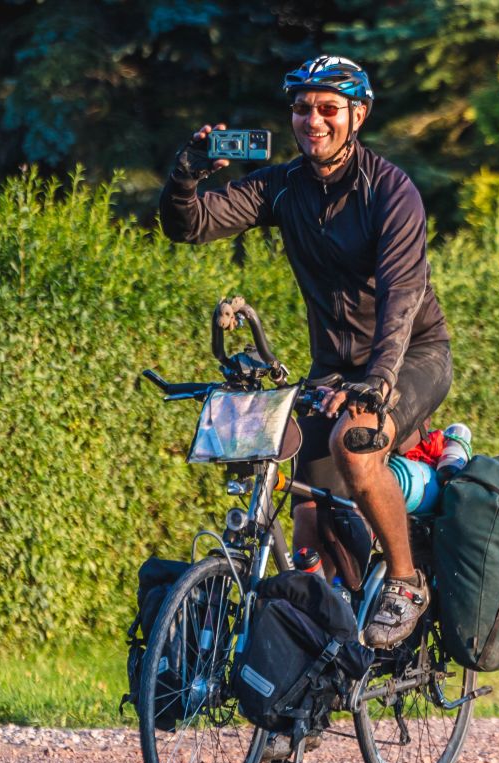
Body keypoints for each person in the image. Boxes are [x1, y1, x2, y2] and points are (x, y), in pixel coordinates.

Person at [158, 55, 451, 649]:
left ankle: (404, 580)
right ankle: (314, 676)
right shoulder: (284, 186)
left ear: (358, 115)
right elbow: (189, 225)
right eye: (301, 108)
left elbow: (401, 298)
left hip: (411, 355)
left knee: (357, 443)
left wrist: (379, 381)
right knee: (306, 510)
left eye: (327, 109)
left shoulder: (392, 192)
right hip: (333, 368)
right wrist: (185, 176)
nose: (312, 120)